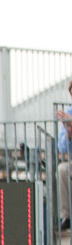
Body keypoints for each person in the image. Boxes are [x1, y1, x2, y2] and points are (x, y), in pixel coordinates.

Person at [56, 79, 72, 231]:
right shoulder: (69, 112)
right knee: (62, 169)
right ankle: (66, 216)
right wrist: (68, 131)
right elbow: (62, 148)